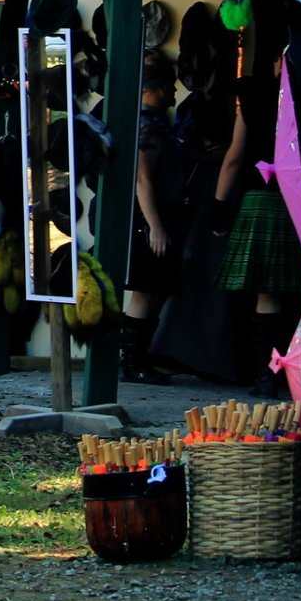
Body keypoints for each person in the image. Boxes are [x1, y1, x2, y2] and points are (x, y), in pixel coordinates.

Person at [211, 47, 301, 396]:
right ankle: (288, 372)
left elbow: (235, 157)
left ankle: (265, 376)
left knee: (268, 294)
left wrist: (219, 205)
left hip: (260, 202)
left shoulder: (252, 98)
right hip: (298, 202)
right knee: (299, 293)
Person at [122, 51, 185, 384]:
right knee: (145, 290)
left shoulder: (157, 124)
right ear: (156, 89)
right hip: (152, 217)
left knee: (156, 288)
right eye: (170, 87)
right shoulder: (147, 125)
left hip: (161, 214)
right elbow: (142, 177)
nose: (174, 94)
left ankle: (139, 357)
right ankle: (133, 362)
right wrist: (155, 226)